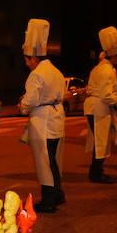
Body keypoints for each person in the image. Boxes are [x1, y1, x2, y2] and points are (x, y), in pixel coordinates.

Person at [18, 18, 67, 213]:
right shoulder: (55, 71)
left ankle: (49, 201)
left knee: (44, 161)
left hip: (42, 121)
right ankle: (58, 194)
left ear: (33, 58)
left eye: (26, 59)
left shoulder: (36, 74)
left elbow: (30, 101)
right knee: (54, 160)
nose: (26, 63)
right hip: (56, 118)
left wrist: (22, 106)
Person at [83, 27, 117, 183]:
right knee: (101, 141)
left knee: (100, 141)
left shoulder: (100, 68)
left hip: (94, 107)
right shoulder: (107, 70)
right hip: (99, 108)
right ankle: (96, 173)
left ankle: (96, 171)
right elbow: (107, 95)